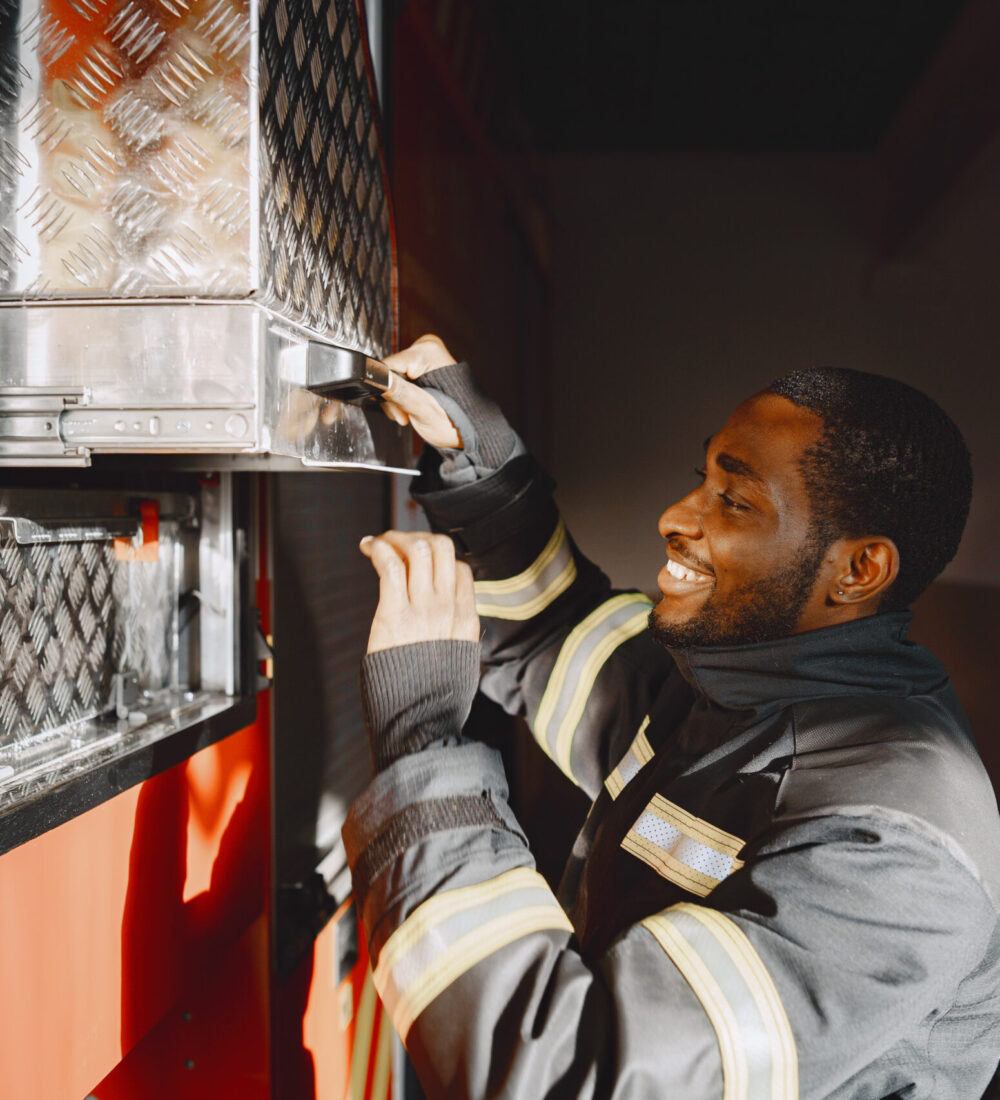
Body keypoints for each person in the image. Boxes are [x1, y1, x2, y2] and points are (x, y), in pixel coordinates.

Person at [342, 335, 1000, 1100]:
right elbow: (556, 635)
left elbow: (576, 1077)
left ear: (857, 570)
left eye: (736, 500)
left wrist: (423, 747)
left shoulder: (896, 854)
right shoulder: (730, 688)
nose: (674, 517)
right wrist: (484, 466)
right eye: (702, 479)